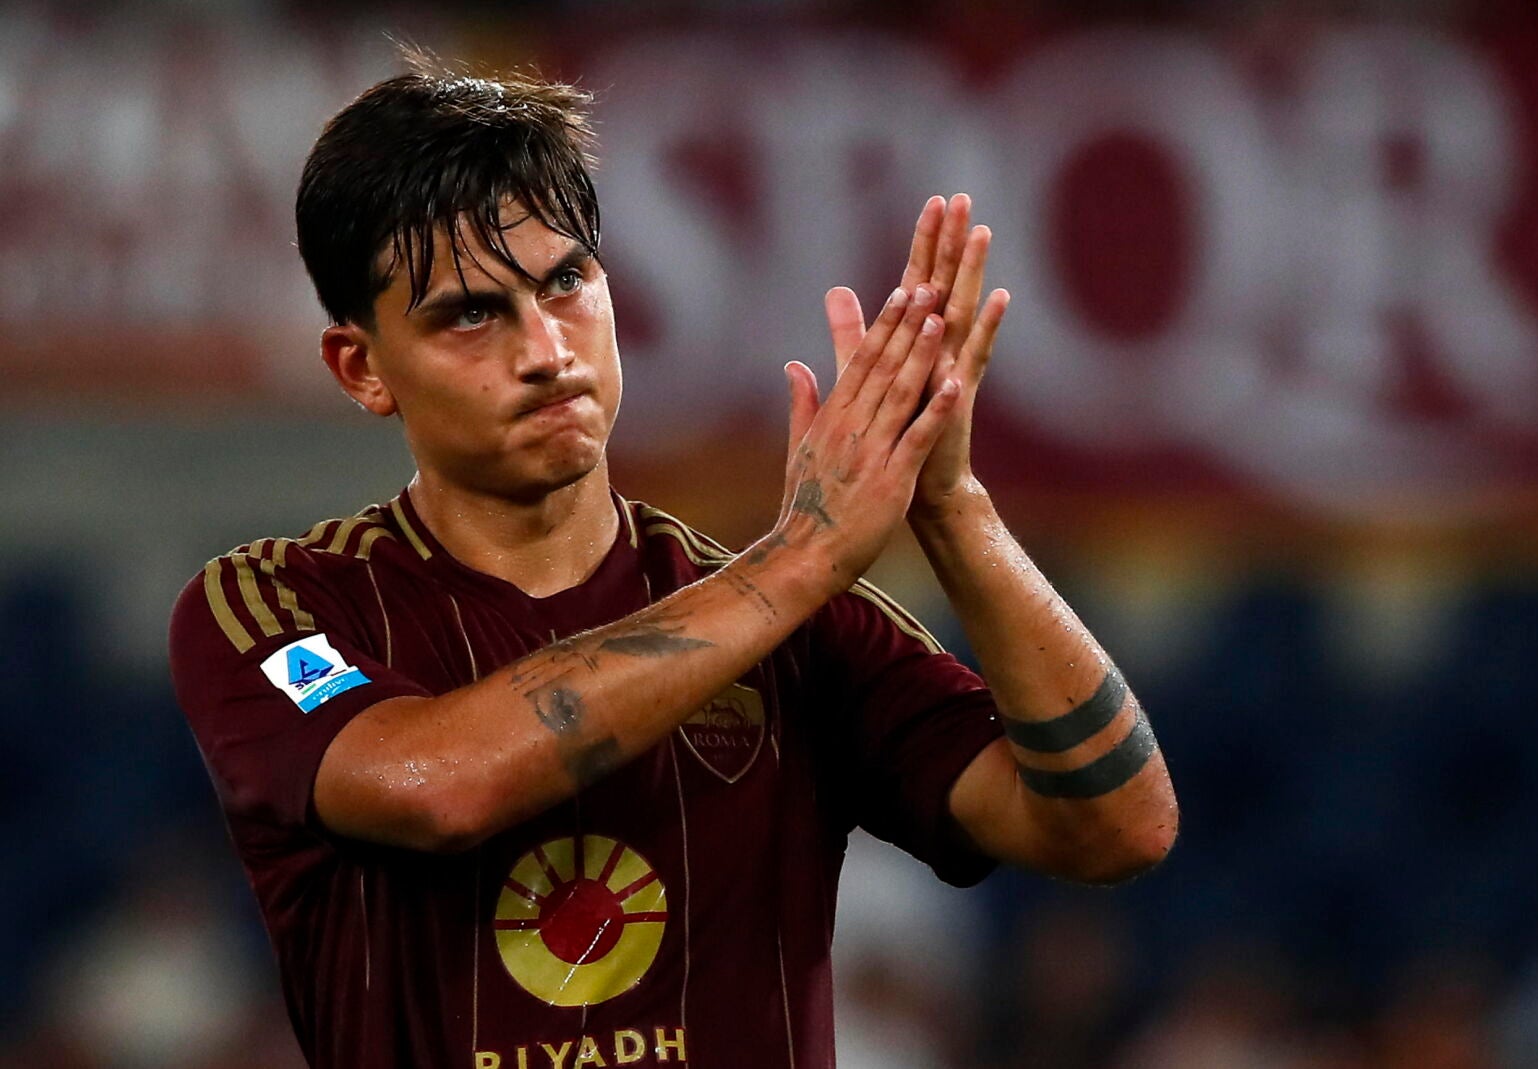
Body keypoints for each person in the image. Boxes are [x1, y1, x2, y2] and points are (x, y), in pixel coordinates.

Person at [168, 58, 1177, 1069]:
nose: (545, 350)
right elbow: (432, 787)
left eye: (566, 282)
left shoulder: (796, 617)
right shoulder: (273, 606)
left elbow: (1118, 828)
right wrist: (799, 559)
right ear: (361, 367)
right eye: (471, 313)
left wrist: (950, 505)